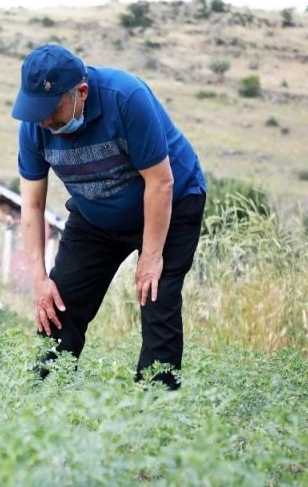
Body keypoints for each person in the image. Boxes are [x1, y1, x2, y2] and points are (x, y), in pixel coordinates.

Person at [12, 44, 207, 390]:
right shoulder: (34, 126)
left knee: (156, 297)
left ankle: (156, 403)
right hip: (95, 214)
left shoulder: (126, 97)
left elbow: (160, 183)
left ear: (81, 93)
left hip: (170, 203)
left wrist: (151, 257)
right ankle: (43, 398)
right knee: (59, 303)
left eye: (52, 110)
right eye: (36, 110)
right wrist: (39, 278)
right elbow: (32, 206)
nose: (44, 121)